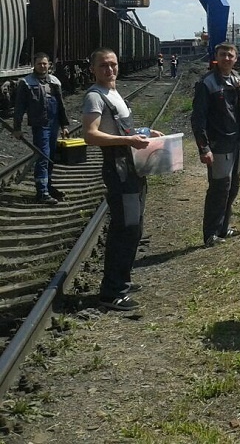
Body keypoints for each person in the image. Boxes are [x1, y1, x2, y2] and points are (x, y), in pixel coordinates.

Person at [82, 48, 163, 311]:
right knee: (125, 228)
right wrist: (128, 140)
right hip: (118, 169)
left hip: (131, 168)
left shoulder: (114, 93)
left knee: (134, 227)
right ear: (93, 69)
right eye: (103, 65)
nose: (110, 69)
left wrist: (145, 131)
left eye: (113, 64)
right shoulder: (94, 97)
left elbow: (121, 127)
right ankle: (112, 292)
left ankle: (122, 280)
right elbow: (90, 135)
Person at [191, 43, 240, 247]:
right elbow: (198, 118)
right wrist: (204, 148)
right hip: (219, 143)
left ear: (235, 59)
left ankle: (223, 228)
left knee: (233, 187)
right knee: (219, 189)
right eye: (223, 55)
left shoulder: (235, 79)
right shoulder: (207, 83)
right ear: (216, 56)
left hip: (235, 142)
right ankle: (211, 234)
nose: (227, 58)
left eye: (230, 55)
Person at [12, 53, 70, 204]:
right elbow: (19, 107)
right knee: (43, 156)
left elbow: (61, 106)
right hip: (40, 125)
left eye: (45, 63)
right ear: (34, 65)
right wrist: (17, 128)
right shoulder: (26, 83)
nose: (43, 66)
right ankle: (42, 192)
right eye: (39, 64)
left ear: (49, 64)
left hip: (54, 124)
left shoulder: (55, 81)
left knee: (50, 157)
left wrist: (64, 125)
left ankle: (48, 186)